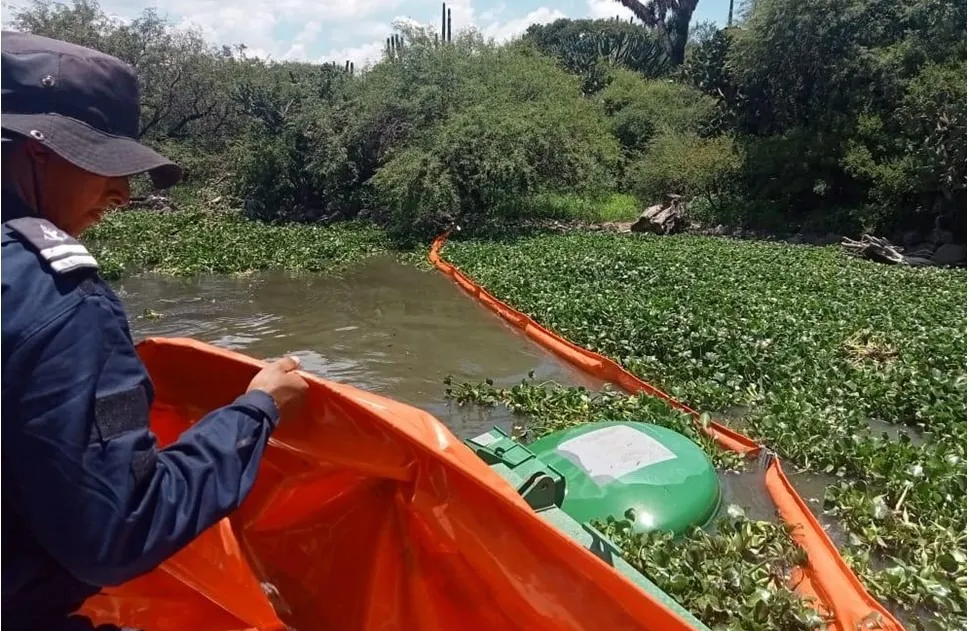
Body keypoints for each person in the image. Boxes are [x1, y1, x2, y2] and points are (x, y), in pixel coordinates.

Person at [1, 31, 309, 631]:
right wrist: (255, 413)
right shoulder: (58, 297)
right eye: (100, 164)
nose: (121, 193)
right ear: (35, 153)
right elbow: (119, 528)